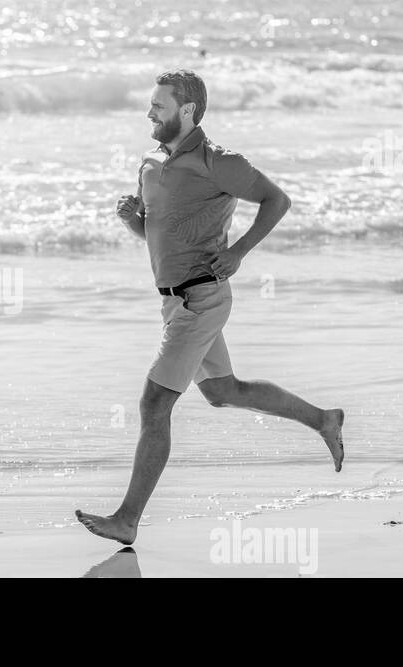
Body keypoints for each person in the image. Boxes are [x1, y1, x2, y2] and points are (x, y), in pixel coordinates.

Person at [75, 69, 345, 546]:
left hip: (203, 297)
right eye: (151, 104)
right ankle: (324, 419)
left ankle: (127, 519)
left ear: (187, 111)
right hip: (173, 301)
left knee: (155, 402)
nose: (149, 112)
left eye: (158, 105)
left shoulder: (217, 161)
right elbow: (159, 236)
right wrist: (132, 223)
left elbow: (277, 200)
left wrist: (239, 250)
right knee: (223, 391)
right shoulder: (150, 162)